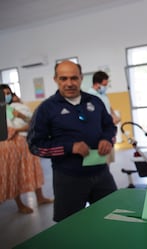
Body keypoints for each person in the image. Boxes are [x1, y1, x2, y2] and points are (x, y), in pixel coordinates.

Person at [27, 61, 118, 222]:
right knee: (69, 228)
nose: (69, 83)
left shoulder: (95, 102)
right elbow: (35, 146)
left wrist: (107, 139)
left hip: (101, 173)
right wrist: (69, 147)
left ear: (81, 78)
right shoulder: (46, 109)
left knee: (114, 217)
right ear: (55, 79)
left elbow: (110, 126)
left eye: (74, 78)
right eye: (63, 78)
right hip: (68, 178)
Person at [0, 84, 53, 214]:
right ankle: (20, 204)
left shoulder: (16, 108)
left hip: (26, 142)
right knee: (15, 173)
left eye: (8, 93)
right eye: (3, 94)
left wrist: (20, 117)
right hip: (9, 146)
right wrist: (16, 130)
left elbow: (32, 123)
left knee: (33, 170)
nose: (6, 96)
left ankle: (40, 197)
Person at [88, 70, 121, 164]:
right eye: (104, 85)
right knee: (99, 162)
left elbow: (108, 106)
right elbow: (93, 117)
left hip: (108, 131)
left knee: (107, 160)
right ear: (96, 84)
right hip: (99, 133)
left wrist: (114, 115)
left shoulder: (103, 95)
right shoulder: (90, 96)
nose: (105, 87)